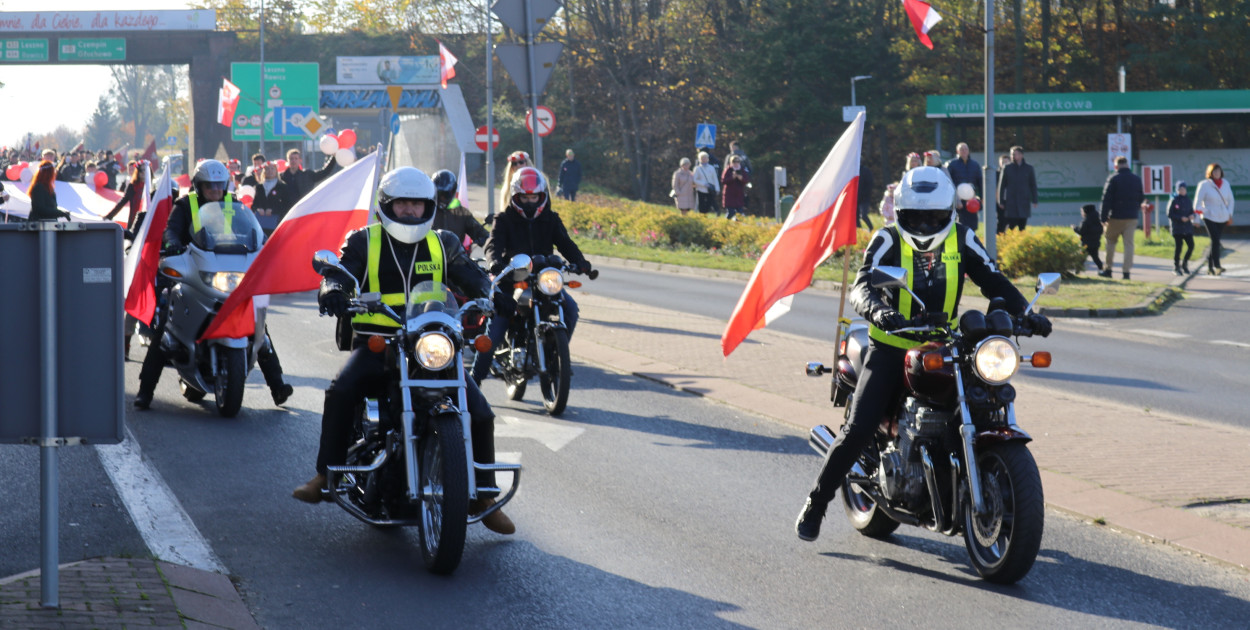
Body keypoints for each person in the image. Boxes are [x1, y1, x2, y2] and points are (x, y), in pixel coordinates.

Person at [794, 166, 1051, 542]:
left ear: (950, 213)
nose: (927, 224)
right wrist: (880, 311)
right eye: (917, 217)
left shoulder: (962, 238)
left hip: (942, 344)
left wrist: (1026, 312)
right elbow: (862, 285)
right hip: (890, 347)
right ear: (901, 214)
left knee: (981, 400)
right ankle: (816, 503)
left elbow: (992, 278)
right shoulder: (886, 239)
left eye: (934, 216)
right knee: (858, 428)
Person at [294, 166, 514, 534]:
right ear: (386, 206)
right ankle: (324, 474)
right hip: (381, 344)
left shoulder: (443, 242)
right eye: (402, 205)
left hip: (431, 346)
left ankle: (485, 497)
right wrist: (332, 289)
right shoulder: (364, 240)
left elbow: (471, 275)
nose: (410, 211)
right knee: (342, 390)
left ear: (429, 205)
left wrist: (493, 293)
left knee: (480, 412)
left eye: (417, 204)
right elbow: (341, 271)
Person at [132, 159, 294, 410]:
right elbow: (171, 230)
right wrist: (173, 242)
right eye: (210, 186)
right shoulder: (185, 205)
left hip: (230, 270)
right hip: (195, 270)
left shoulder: (234, 204)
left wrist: (264, 245)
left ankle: (278, 386)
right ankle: (145, 391)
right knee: (166, 327)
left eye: (220, 185)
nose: (216, 191)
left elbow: (252, 230)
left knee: (258, 324)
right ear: (199, 185)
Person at [471, 167, 591, 385]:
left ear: (542, 196)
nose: (529, 202)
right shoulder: (504, 219)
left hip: (544, 280)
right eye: (524, 197)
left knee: (571, 309)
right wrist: (495, 263)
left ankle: (555, 358)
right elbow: (493, 244)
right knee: (495, 329)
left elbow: (565, 243)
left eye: (534, 197)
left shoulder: (550, 219)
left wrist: (581, 262)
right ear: (516, 196)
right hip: (512, 281)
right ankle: (474, 382)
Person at [1098, 155, 1144, 280]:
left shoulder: (1113, 179)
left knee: (1110, 242)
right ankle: (1126, 272)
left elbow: (1106, 199)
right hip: (1132, 217)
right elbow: (1141, 197)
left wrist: (1103, 217)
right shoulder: (1136, 179)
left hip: (1115, 217)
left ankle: (1108, 269)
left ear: (1116, 166)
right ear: (1128, 165)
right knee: (1128, 244)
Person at [430, 168, 489, 248]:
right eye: (439, 194)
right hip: (432, 257)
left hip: (458, 258)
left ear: (453, 191)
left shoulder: (462, 213)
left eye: (445, 195)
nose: (442, 198)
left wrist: (488, 240)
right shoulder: (427, 211)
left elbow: (482, 234)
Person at [1193, 163, 1235, 275]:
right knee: (1215, 240)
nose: (1217, 173)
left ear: (1221, 172)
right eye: (1214, 171)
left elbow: (1231, 200)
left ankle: (1210, 267)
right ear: (1210, 173)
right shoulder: (1204, 184)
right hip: (1209, 216)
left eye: (1218, 171)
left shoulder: (1226, 183)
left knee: (1215, 242)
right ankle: (1217, 265)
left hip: (1222, 217)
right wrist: (1196, 219)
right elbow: (1197, 202)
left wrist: (1229, 213)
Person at [997, 146, 1037, 233]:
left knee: (1022, 227)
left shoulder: (1028, 168)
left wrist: (1035, 200)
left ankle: (1021, 243)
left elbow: (1033, 185)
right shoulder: (1007, 168)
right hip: (1011, 202)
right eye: (1012, 154)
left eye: (1015, 154)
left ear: (1021, 155)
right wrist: (1000, 201)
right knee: (1012, 226)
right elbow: (1002, 185)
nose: (1013, 156)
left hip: (1024, 201)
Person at [945, 142, 982, 230]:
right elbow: (948, 181)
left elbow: (980, 182)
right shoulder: (951, 164)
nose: (964, 151)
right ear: (957, 151)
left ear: (969, 151)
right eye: (961, 149)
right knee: (960, 224)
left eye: (966, 149)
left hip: (972, 200)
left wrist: (981, 197)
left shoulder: (975, 165)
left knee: (972, 225)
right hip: (958, 200)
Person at [104, 163, 147, 231]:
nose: (143, 172)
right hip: (135, 221)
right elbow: (122, 203)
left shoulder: (152, 187)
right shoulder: (133, 186)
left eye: (145, 170)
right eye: (141, 170)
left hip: (148, 221)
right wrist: (109, 216)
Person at [1166, 182, 1195, 275]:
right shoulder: (1174, 200)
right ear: (1177, 190)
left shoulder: (1188, 200)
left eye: (1183, 189)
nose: (1182, 191)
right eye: (1180, 189)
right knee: (1179, 247)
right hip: (1177, 228)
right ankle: (1176, 266)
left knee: (1191, 246)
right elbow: (1170, 214)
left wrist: (1192, 216)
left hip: (1187, 228)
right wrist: (1180, 218)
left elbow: (1192, 211)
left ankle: (1185, 264)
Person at [497, 150, 531, 220]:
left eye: (521, 162)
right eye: (514, 163)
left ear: (527, 163)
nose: (518, 165)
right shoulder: (507, 186)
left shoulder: (537, 181)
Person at [1073, 203, 1104, 272]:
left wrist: (1074, 228)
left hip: (1086, 244)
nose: (1082, 213)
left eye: (1082, 211)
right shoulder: (1098, 222)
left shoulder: (1085, 222)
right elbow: (1101, 231)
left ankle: (1077, 270)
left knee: (1081, 258)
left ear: (1086, 212)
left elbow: (1081, 231)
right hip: (1095, 243)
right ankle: (1101, 268)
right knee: (1096, 258)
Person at [721, 155, 750, 221]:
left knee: (739, 213)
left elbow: (746, 180)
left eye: (738, 161)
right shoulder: (728, 170)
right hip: (729, 195)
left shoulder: (742, 170)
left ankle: (737, 226)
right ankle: (725, 224)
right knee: (731, 212)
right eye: (734, 162)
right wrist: (732, 178)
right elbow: (723, 181)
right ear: (731, 162)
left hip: (739, 195)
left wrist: (741, 178)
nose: (736, 163)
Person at [692, 151, 720, 216]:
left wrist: (717, 189)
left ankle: (705, 215)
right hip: (701, 189)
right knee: (701, 205)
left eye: (705, 158)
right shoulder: (697, 168)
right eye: (702, 158)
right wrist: (703, 184)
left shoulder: (711, 167)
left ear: (708, 159)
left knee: (709, 204)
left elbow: (715, 179)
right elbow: (695, 179)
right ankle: (702, 217)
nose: (704, 159)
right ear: (699, 159)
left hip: (710, 190)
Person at [856, 163, 875, 229]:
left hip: (864, 199)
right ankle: (859, 231)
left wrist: (863, 195)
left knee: (863, 215)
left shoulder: (865, 171)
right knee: (855, 217)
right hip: (855, 199)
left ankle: (871, 228)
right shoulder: (853, 171)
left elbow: (869, 184)